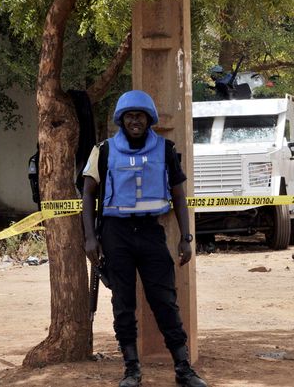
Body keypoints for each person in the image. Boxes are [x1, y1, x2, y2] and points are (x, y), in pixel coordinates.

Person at [82, 90, 207, 387]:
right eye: (129, 116)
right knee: (123, 303)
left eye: (139, 116)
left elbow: (179, 195)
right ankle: (131, 369)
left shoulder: (165, 149)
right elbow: (87, 194)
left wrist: (186, 237)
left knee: (165, 301)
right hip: (115, 234)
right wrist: (89, 238)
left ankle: (183, 368)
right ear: (121, 120)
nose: (134, 121)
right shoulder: (104, 150)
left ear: (149, 119)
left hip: (151, 233)